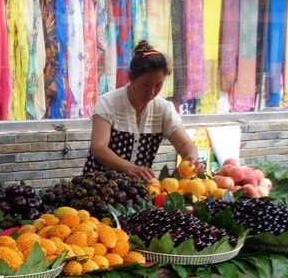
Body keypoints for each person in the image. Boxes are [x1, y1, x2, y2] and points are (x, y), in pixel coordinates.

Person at [85, 40, 201, 181]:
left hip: (137, 191)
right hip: (97, 187)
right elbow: (98, 147)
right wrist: (128, 167)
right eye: (145, 85)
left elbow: (185, 144)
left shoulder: (163, 109)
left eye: (158, 85)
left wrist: (191, 157)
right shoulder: (109, 103)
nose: (151, 92)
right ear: (130, 76)